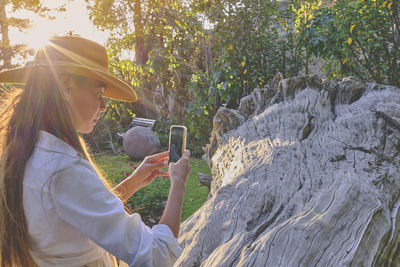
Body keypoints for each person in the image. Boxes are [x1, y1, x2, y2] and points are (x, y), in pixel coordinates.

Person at [0, 36, 191, 266]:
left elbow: (74, 212)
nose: (104, 106)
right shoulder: (64, 169)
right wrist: (178, 182)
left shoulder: (28, 150)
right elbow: (158, 255)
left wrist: (133, 183)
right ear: (66, 88)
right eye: (99, 94)